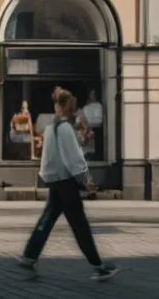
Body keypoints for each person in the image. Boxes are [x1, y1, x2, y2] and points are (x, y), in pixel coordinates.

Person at [18, 87, 119, 281]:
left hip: (56, 182)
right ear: (66, 107)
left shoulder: (50, 128)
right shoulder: (65, 129)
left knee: (47, 220)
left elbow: (46, 159)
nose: (75, 108)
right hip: (66, 183)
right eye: (72, 105)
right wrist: (88, 182)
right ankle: (98, 267)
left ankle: (29, 256)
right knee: (79, 224)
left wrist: (47, 177)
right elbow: (74, 160)